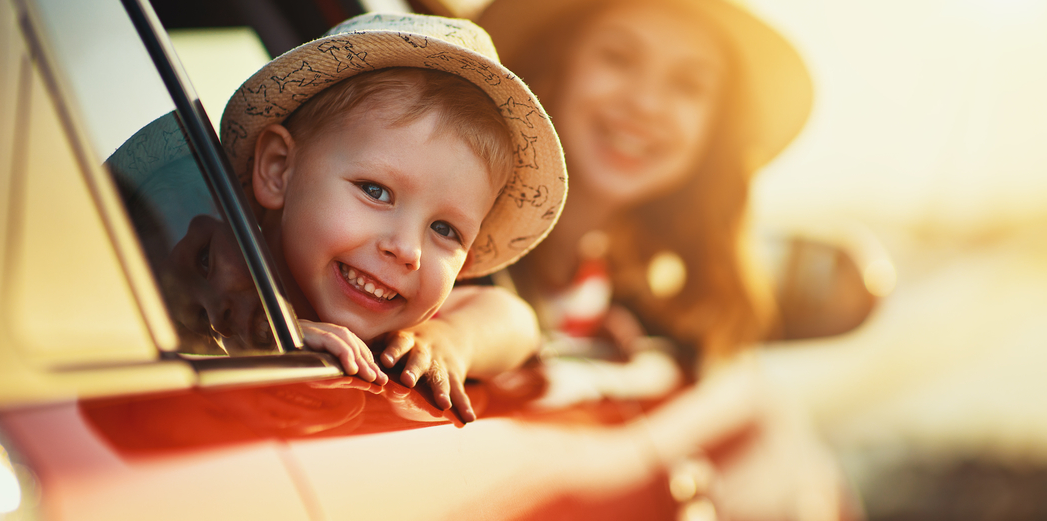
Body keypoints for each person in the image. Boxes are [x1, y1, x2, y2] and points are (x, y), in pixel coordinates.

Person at [476, 1, 855, 519]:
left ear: (713, 133)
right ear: (555, 65)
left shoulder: (622, 303)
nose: (647, 103)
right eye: (618, 58)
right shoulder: (445, 248)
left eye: (688, 86)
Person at [218, 13, 568, 422]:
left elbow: (517, 322)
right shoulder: (215, 257)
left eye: (445, 230)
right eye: (375, 191)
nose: (407, 249)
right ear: (279, 170)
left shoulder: (401, 335)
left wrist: (449, 339)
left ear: (464, 265)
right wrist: (263, 326)